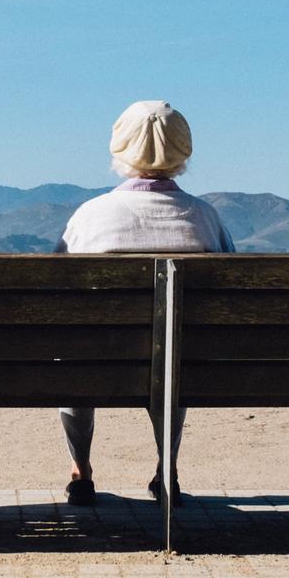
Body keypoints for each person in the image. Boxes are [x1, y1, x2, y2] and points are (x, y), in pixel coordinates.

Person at [56, 100, 235, 507]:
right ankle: (166, 469)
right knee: (172, 355)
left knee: (75, 356)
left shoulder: (91, 216)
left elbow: (57, 294)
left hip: (98, 362)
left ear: (119, 149)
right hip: (182, 364)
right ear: (184, 151)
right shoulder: (205, 219)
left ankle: (81, 471)